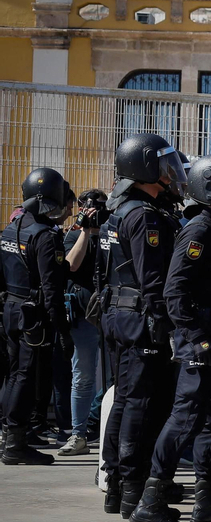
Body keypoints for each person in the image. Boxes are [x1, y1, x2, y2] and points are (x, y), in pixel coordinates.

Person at [130, 155, 211, 522]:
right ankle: (151, 501)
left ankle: (208, 503)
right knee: (185, 419)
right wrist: (195, 338)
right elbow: (175, 292)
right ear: (207, 188)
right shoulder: (199, 231)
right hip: (200, 342)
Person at [97, 134, 185, 513]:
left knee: (126, 401)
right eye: (163, 164)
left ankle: (118, 483)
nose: (171, 171)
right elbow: (153, 280)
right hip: (140, 319)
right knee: (141, 404)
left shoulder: (122, 209)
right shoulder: (144, 215)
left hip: (121, 315)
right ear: (145, 168)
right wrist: (168, 325)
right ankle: (133, 485)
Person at [1, 168, 79, 465]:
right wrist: (62, 331)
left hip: (11, 309)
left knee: (13, 375)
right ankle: (15, 444)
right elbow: (52, 288)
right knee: (24, 376)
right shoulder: (46, 236)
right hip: (33, 316)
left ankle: (10, 437)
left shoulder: (14, 226)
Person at [58, 188, 109, 457]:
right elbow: (72, 265)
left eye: (100, 205)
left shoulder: (113, 231)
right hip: (84, 314)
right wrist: (86, 232)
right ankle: (79, 434)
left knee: (115, 378)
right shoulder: (74, 234)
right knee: (84, 375)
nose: (94, 210)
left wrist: (105, 230)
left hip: (112, 313)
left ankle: (100, 426)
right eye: (89, 205)